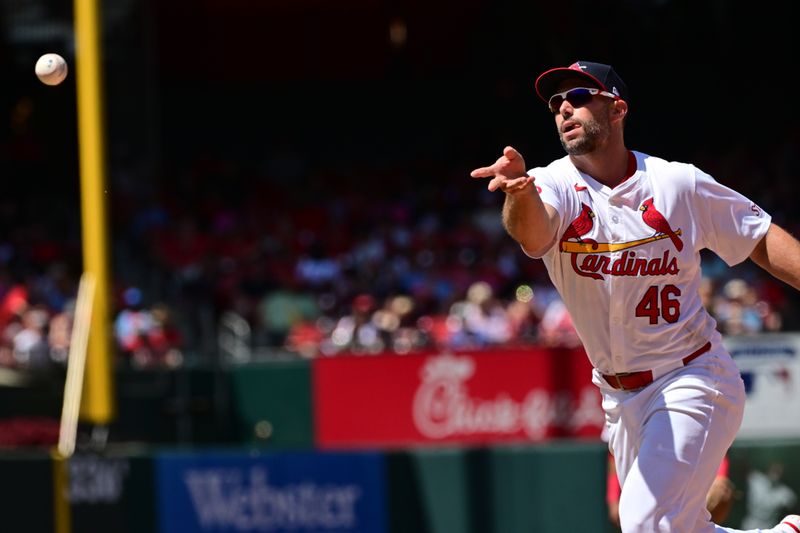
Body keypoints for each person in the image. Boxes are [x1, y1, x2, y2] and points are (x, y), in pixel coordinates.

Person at [470, 60, 800, 532]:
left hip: (691, 374)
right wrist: (518, 193)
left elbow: (759, 238)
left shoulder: (676, 183)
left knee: (645, 524)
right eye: (556, 102)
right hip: (620, 398)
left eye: (580, 97)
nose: (565, 107)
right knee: (679, 528)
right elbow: (533, 233)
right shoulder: (552, 183)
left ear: (617, 108)